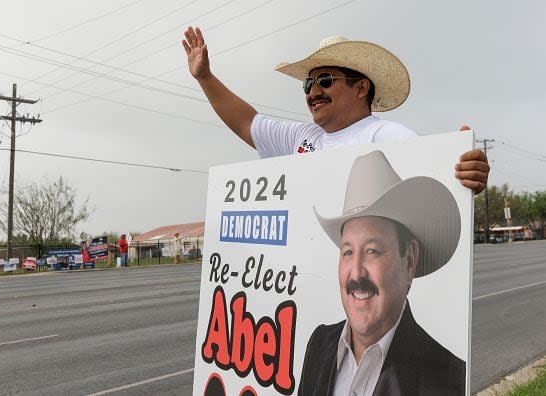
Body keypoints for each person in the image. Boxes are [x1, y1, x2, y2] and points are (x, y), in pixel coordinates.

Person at [182, 27, 490, 195]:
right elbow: (246, 122)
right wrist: (205, 77)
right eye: (308, 83)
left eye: (325, 81)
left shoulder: (389, 137)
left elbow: (436, 189)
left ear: (361, 88)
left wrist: (466, 176)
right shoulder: (300, 137)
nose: (313, 91)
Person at [299, 150, 465, 395]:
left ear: (409, 262)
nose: (356, 273)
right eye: (347, 252)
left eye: (372, 251)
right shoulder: (319, 343)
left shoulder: (447, 378)